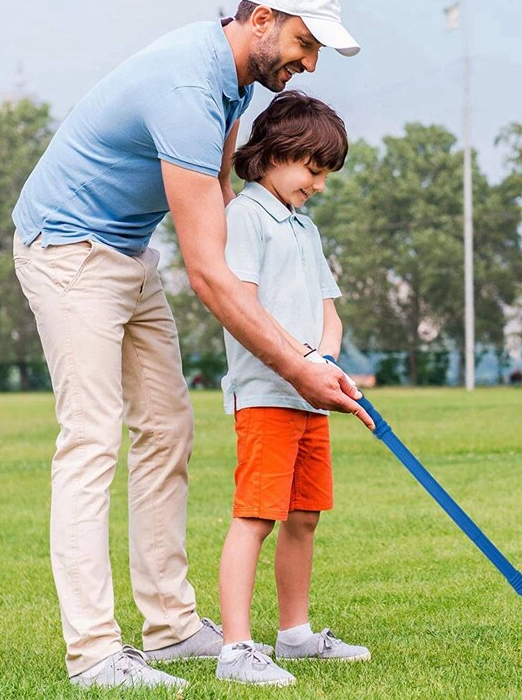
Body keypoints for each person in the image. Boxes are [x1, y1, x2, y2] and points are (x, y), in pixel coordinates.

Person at [11, 0, 374, 689]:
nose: (309, 63)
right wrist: (299, 365)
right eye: (306, 43)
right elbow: (208, 272)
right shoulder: (186, 84)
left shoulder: (234, 80)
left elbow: (212, 196)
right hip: (67, 249)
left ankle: (173, 628)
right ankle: (93, 654)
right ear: (262, 18)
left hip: (128, 251)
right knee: (90, 439)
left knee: (168, 428)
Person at [214, 91, 370, 687]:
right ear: (277, 153)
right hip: (264, 397)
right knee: (256, 516)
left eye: (326, 174)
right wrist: (301, 359)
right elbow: (243, 306)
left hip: (311, 398)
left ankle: (294, 635)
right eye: (314, 169)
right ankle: (236, 648)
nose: (320, 185)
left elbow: (330, 310)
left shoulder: (304, 228)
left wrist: (324, 358)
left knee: (304, 516)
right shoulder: (245, 218)